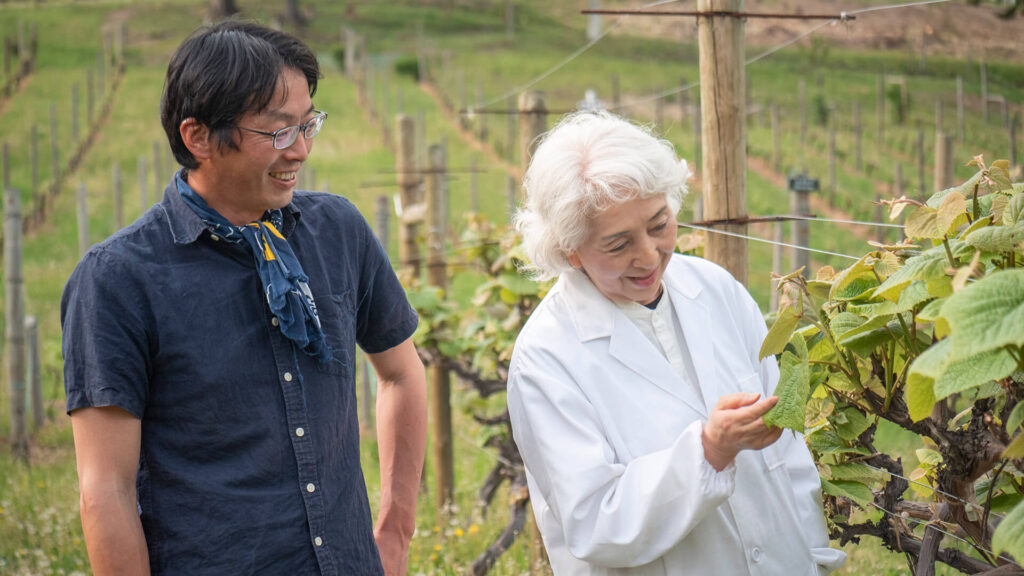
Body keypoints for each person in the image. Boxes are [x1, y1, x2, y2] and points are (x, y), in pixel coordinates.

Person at [61, 21, 427, 576]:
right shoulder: (118, 280)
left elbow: (401, 373)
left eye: (308, 125)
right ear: (199, 137)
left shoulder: (339, 231)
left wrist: (396, 529)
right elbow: (104, 490)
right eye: (279, 132)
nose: (301, 150)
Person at [507, 111, 846, 575]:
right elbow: (594, 523)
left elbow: (786, 454)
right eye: (617, 243)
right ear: (570, 250)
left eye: (659, 223)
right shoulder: (546, 358)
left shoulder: (715, 289)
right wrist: (708, 452)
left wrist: (812, 555)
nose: (648, 255)